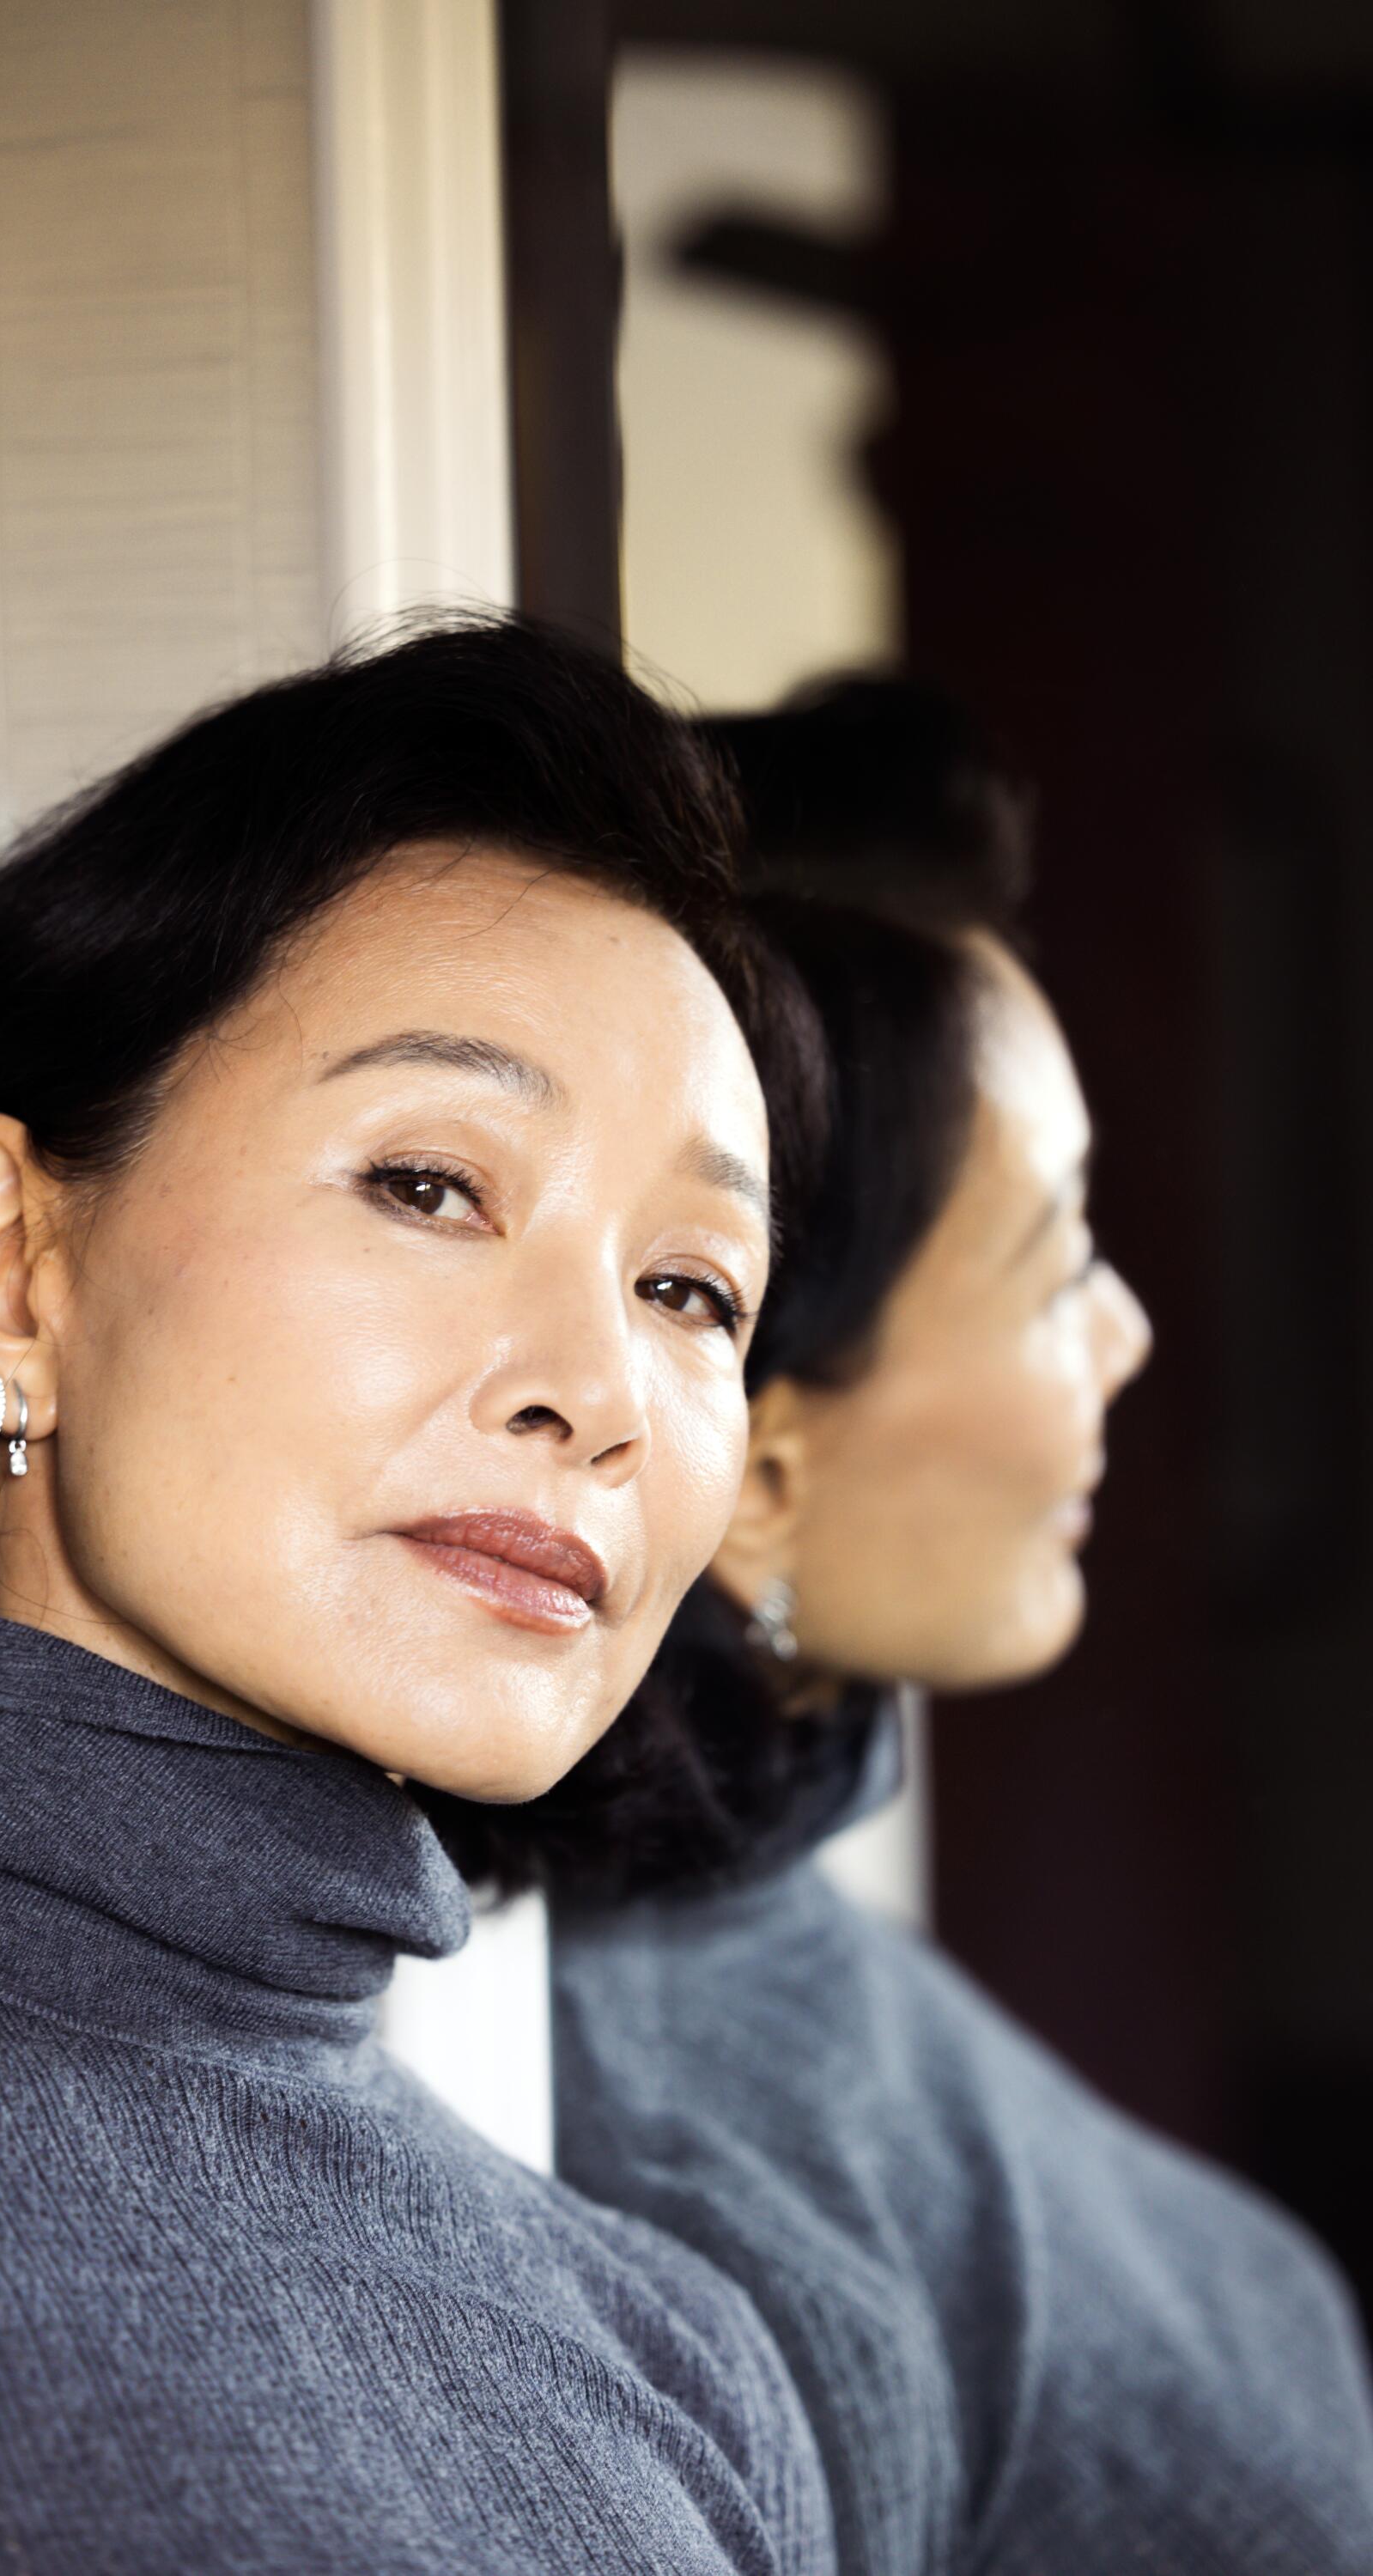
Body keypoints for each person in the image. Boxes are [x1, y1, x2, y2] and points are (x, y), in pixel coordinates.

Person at [0, 620, 830, 2576]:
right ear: (6, 1267)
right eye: (434, 1185)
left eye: (688, 1289)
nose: (600, 1389)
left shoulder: (682, 2368)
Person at [426, 678, 1373, 2574]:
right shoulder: (683, 2175)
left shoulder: (763, 1995)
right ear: (752, 1466)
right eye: (1055, 1266)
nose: (1126, 1337)